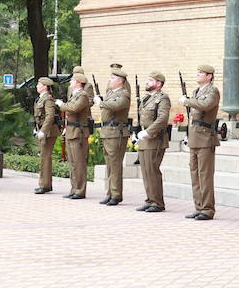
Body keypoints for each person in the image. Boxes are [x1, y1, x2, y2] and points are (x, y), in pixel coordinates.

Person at [182, 63, 221, 220]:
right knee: (195, 173)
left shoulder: (213, 91)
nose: (197, 74)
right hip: (194, 136)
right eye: (197, 72)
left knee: (205, 175)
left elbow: (205, 106)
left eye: (201, 72)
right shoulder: (196, 91)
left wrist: (188, 101)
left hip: (205, 137)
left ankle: (207, 209)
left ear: (209, 76)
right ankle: (199, 206)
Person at [135, 71, 171, 212]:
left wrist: (148, 132)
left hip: (155, 139)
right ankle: (150, 199)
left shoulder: (163, 99)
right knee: (145, 171)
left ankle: (157, 202)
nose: (147, 82)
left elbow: (162, 119)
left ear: (158, 84)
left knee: (152, 171)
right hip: (144, 139)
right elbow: (141, 118)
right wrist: (136, 133)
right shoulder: (146, 99)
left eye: (150, 80)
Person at [96, 65, 131, 206]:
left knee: (115, 164)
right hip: (108, 132)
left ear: (120, 81)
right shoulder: (111, 93)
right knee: (109, 165)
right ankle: (110, 192)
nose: (110, 80)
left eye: (113, 78)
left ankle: (116, 194)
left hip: (117, 132)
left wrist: (102, 102)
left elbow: (116, 106)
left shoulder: (124, 94)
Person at [58, 70, 92, 199]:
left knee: (79, 162)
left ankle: (80, 190)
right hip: (72, 131)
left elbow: (74, 108)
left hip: (79, 132)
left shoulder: (82, 95)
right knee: (72, 163)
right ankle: (74, 188)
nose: (70, 82)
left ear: (78, 83)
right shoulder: (74, 95)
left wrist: (62, 105)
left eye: (72, 80)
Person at [31, 76, 60, 194]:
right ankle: (45, 184)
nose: (37, 86)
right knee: (44, 157)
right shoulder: (40, 98)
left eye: (39, 84)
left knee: (45, 157)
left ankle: (45, 185)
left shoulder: (48, 99)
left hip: (49, 132)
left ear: (45, 87)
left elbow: (49, 116)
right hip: (43, 130)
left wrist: (43, 131)